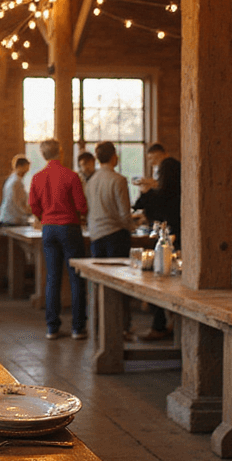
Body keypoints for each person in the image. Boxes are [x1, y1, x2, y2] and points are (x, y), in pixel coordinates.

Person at [29, 138, 88, 341]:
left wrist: (43, 216)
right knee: (75, 277)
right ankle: (78, 328)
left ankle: (52, 327)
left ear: (43, 155)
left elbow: (33, 205)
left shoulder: (37, 177)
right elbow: (82, 206)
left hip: (48, 228)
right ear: (60, 152)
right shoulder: (71, 176)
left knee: (52, 278)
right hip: (69, 227)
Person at [132, 142, 181, 340]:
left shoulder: (168, 166)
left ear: (159, 155)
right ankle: (164, 323)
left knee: (160, 276)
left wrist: (146, 192)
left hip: (169, 232)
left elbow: (164, 198)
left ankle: (160, 325)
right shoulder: (169, 170)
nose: (151, 162)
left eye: (152, 159)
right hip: (172, 229)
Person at [85, 141, 133, 258]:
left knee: (99, 274)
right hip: (115, 233)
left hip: (95, 233)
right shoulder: (118, 180)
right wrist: (132, 228)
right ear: (113, 156)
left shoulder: (90, 181)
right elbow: (124, 212)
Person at [0, 155, 31, 226]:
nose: (26, 172)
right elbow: (19, 204)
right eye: (26, 169)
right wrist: (30, 212)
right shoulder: (16, 182)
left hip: (8, 217)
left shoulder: (11, 179)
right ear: (19, 167)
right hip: (13, 219)